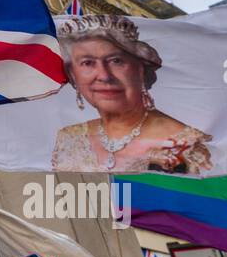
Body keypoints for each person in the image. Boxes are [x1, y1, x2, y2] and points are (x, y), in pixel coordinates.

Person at [52, 14, 212, 173]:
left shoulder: (187, 143)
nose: (104, 76)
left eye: (116, 61)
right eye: (87, 63)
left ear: (140, 69)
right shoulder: (68, 138)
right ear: (73, 75)